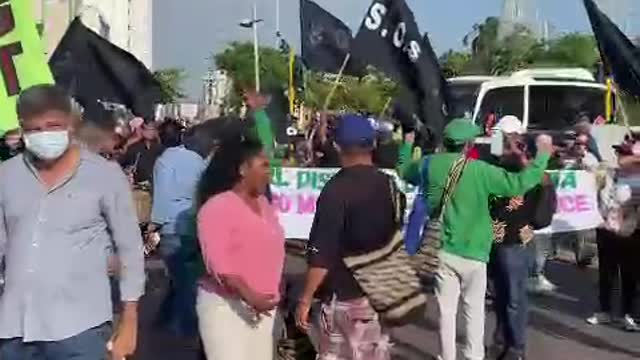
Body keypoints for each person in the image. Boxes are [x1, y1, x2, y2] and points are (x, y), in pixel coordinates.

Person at [0, 85, 145, 359]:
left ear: (70, 124)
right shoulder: (7, 176)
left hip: (81, 329)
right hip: (14, 329)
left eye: (52, 126)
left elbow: (130, 250)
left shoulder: (104, 175)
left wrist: (129, 321)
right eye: (34, 129)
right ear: (21, 129)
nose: (44, 135)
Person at [397, 118, 553, 360]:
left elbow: (403, 169)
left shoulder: (428, 165)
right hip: (476, 251)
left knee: (446, 311)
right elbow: (519, 183)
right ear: (469, 143)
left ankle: (446, 356)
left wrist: (407, 143)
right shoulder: (480, 170)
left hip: (443, 248)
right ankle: (474, 356)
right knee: (474, 310)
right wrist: (542, 155)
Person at [295, 114, 394, 360]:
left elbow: (322, 255)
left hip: (344, 297)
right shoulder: (390, 185)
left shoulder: (336, 190)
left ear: (337, 146)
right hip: (381, 294)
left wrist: (305, 299)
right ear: (373, 145)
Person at [195, 135, 284, 360]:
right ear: (243, 169)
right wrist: (248, 294)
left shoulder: (265, 205)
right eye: (263, 165)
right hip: (226, 308)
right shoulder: (217, 207)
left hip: (263, 310)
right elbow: (218, 263)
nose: (269, 172)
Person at [488, 117, 557, 360]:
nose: (502, 145)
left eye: (507, 140)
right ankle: (500, 339)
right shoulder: (496, 168)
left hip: (515, 241)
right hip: (495, 239)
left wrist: (524, 228)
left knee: (514, 297)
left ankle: (516, 347)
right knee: (499, 295)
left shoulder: (536, 176)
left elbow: (541, 217)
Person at [149, 123, 217, 337]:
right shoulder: (199, 162)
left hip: (171, 227)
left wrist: (154, 225)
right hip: (194, 226)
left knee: (182, 280)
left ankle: (179, 327)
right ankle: (173, 323)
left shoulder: (164, 161)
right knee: (184, 278)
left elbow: (161, 195)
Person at [586, 144, 640, 332]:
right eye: (618, 152)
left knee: (629, 275)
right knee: (606, 273)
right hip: (606, 230)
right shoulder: (608, 174)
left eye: (625, 153)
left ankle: (628, 314)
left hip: (631, 233)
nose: (620, 157)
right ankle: (604, 311)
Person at [120, 120, 165, 185]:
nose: (150, 132)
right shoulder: (134, 148)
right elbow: (124, 163)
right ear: (142, 130)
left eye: (152, 129)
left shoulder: (161, 149)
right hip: (139, 184)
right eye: (148, 129)